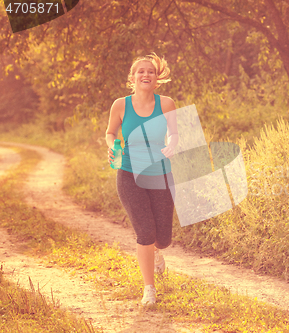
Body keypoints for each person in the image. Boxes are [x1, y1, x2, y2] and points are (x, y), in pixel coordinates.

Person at [105, 53, 178, 306]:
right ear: (133, 78)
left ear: (157, 78)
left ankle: (157, 252)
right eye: (140, 71)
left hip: (160, 175)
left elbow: (174, 134)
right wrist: (112, 146)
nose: (146, 74)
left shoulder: (166, 104)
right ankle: (149, 289)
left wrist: (172, 145)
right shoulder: (120, 105)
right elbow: (110, 132)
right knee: (145, 232)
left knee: (163, 238)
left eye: (150, 71)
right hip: (129, 174)